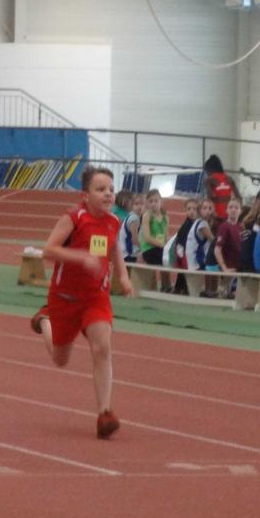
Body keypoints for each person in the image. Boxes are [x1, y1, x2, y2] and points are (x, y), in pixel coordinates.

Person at [30, 165, 132, 440]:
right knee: (60, 359)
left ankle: (105, 413)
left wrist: (123, 276)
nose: (108, 194)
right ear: (85, 195)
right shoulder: (74, 218)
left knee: (102, 347)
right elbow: (48, 250)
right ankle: (45, 321)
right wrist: (81, 258)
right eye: (100, 189)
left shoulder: (113, 221)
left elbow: (114, 248)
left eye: (111, 189)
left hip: (96, 297)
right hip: (65, 298)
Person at [139, 189, 171, 292]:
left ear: (161, 201)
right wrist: (162, 246)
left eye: (156, 201)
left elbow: (166, 236)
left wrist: (168, 245)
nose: (153, 204)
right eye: (150, 201)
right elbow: (147, 238)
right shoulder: (147, 216)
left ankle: (167, 285)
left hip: (161, 248)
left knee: (171, 256)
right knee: (165, 258)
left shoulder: (165, 217)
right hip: (149, 249)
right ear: (147, 203)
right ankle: (166, 285)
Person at [203, 154, 239, 222]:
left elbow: (211, 198)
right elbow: (238, 197)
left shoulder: (209, 180)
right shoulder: (229, 178)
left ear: (209, 169)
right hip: (230, 216)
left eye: (206, 171)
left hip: (217, 216)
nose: (206, 173)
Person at [117, 192, 144, 263]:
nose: (139, 206)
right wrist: (145, 248)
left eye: (142, 204)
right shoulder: (134, 218)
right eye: (136, 204)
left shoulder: (132, 216)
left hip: (125, 252)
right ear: (131, 206)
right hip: (128, 254)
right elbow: (134, 239)